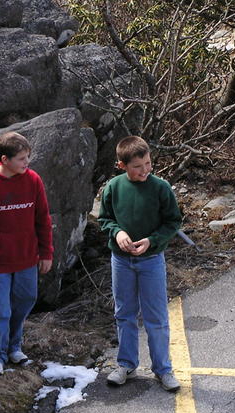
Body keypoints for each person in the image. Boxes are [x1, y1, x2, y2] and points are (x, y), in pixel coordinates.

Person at [98, 136, 182, 392]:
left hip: (151, 260)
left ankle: (163, 369)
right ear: (122, 165)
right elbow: (105, 219)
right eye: (137, 166)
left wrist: (152, 240)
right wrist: (118, 233)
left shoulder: (160, 187)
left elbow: (173, 222)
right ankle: (126, 364)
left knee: (155, 316)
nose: (145, 169)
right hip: (121, 261)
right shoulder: (113, 187)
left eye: (147, 163)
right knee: (124, 313)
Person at [0, 131, 53, 375]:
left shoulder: (33, 180)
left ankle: (14, 346)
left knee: (26, 300)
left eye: (28, 157)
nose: (27, 163)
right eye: (22, 159)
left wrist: (46, 252)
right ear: (5, 160)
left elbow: (43, 219)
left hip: (27, 257)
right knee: (0, 310)